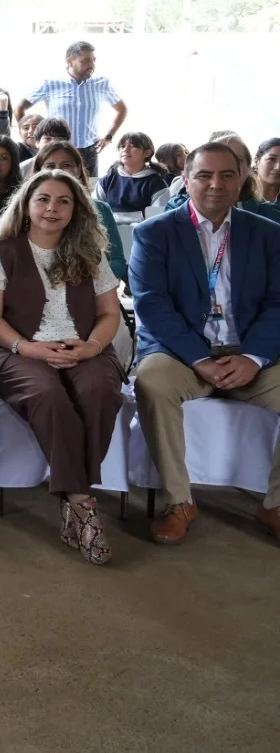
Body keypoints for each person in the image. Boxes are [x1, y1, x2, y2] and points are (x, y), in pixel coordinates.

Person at [0, 171, 126, 565]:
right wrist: (30, 348)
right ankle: (82, 500)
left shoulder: (90, 254)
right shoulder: (2, 251)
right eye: (43, 199)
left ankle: (74, 497)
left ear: (77, 210)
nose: (52, 209)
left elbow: (110, 313)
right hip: (14, 348)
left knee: (100, 391)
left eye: (63, 201)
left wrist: (91, 347)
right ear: (26, 205)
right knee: (47, 393)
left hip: (82, 346)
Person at [129, 141, 280, 545]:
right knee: (153, 381)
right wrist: (198, 359)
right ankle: (179, 502)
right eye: (204, 175)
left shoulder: (268, 234)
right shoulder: (153, 234)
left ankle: (275, 505)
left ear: (243, 179)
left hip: (247, 352)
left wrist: (252, 357)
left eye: (227, 175)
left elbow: (278, 302)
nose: (216, 184)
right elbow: (152, 306)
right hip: (181, 354)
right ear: (185, 180)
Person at [15, 41, 127, 177]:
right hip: (57, 151)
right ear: (69, 61)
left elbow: (122, 110)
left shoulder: (101, 84)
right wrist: (33, 138)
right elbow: (20, 108)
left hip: (89, 152)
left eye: (94, 60)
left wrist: (108, 137)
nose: (92, 65)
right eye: (85, 61)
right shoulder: (51, 84)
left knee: (86, 192)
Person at [35, 141, 128, 282]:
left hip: (91, 289)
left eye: (66, 165)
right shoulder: (26, 211)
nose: (59, 171)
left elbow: (117, 262)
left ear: (78, 169)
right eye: (50, 166)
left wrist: (86, 281)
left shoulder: (100, 209)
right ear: (38, 171)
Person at [101, 131, 171, 216]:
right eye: (122, 146)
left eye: (132, 146)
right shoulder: (109, 178)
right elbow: (95, 208)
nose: (125, 150)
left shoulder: (156, 183)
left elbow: (157, 216)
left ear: (147, 153)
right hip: (108, 228)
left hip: (141, 228)